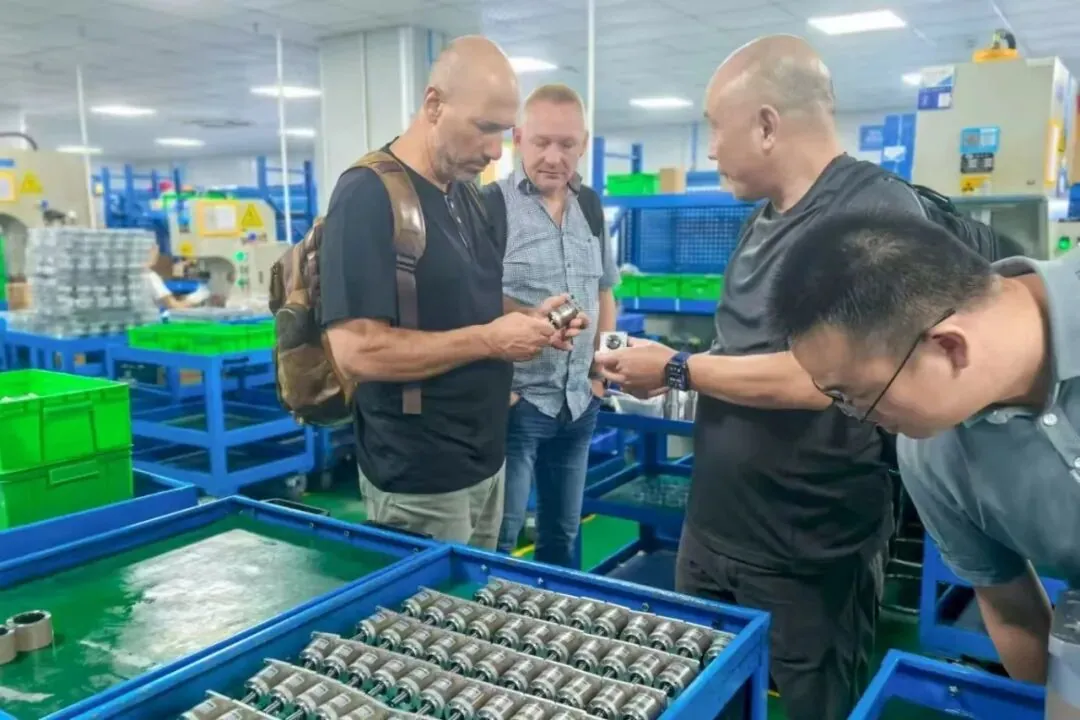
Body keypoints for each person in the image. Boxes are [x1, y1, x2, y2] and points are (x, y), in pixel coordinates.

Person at [594, 35, 926, 719]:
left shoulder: (876, 216)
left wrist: (681, 368)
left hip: (809, 551)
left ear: (768, 124)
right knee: (705, 700)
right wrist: (661, 374)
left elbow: (821, 378)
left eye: (717, 127)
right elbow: (739, 349)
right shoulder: (758, 224)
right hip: (714, 532)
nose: (710, 149)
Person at [768, 209, 1080, 685]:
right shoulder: (931, 456)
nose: (861, 418)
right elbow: (1013, 612)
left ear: (949, 348)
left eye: (858, 397)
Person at [319, 36, 574, 549]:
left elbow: (472, 300)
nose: (494, 150)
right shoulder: (368, 194)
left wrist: (528, 318)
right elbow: (356, 352)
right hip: (420, 478)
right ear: (434, 105)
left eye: (502, 132)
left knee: (479, 615)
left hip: (485, 458)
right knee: (430, 623)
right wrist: (490, 341)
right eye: (483, 128)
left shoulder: (465, 196)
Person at [488, 83, 618, 567]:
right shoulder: (490, 207)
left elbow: (605, 291)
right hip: (519, 405)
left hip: (580, 403)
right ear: (518, 138)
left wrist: (601, 370)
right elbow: (470, 304)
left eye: (566, 144)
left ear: (582, 145)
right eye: (541, 142)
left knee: (562, 539)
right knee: (500, 540)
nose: (553, 156)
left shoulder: (591, 206)